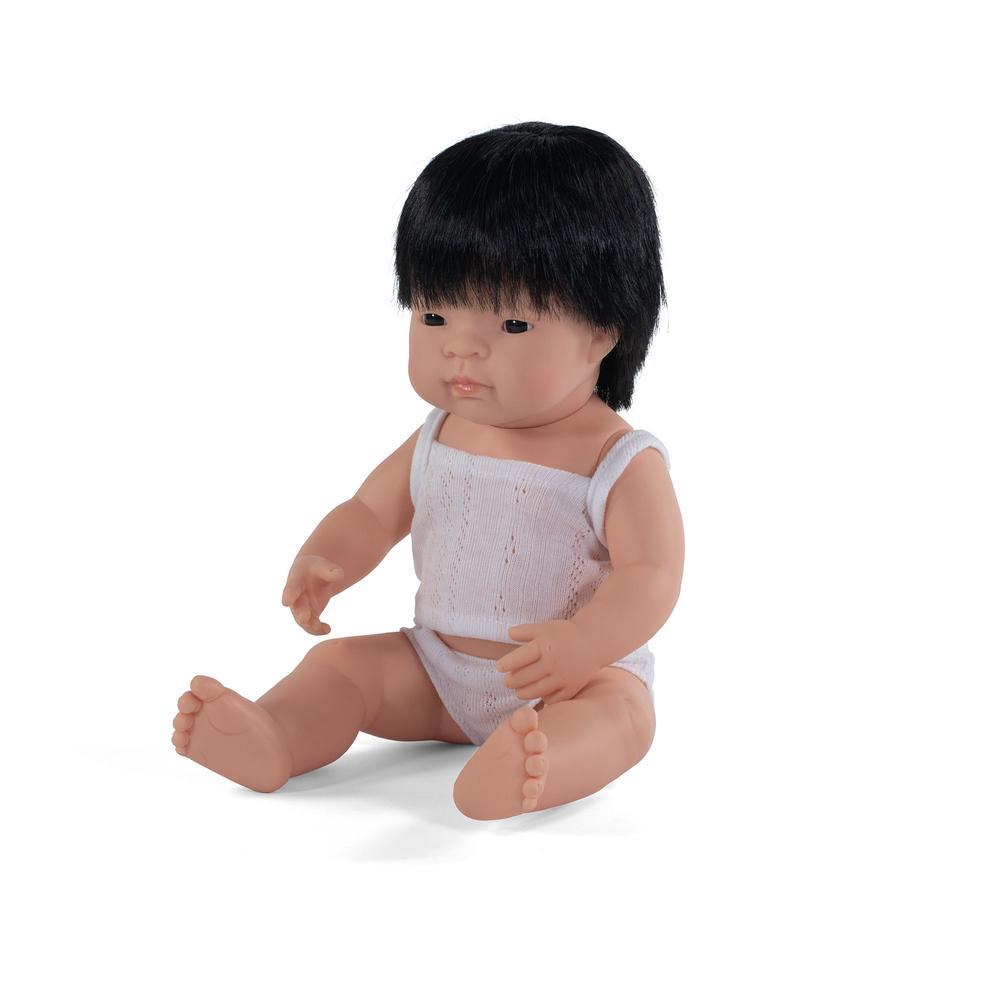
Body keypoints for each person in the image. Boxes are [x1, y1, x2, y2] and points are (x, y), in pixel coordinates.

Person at [171, 121, 685, 820]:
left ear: (602, 331)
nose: (460, 349)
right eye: (435, 315)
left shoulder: (617, 461)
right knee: (340, 668)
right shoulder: (441, 434)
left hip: (570, 680)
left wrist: (587, 643)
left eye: (512, 326)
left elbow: (651, 575)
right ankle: (275, 736)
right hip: (436, 669)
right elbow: (371, 511)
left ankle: (537, 767)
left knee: (621, 716)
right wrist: (328, 556)